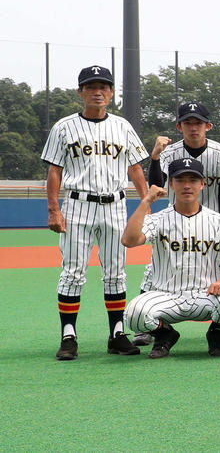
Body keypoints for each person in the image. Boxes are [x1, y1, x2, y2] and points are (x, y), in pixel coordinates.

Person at [43, 65, 150, 361]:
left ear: (112, 92)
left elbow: (135, 168)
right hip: (78, 204)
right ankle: (68, 336)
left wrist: (145, 205)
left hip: (115, 205)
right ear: (81, 92)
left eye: (103, 86)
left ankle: (117, 334)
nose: (98, 92)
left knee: (116, 272)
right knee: (73, 272)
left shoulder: (122, 126)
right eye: (91, 87)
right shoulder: (64, 127)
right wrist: (54, 210)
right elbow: (54, 170)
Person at [134, 101, 220, 346]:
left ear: (208, 126)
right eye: (188, 123)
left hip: (212, 222)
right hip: (176, 218)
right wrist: (155, 157)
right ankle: (147, 327)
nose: (193, 128)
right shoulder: (168, 153)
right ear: (179, 126)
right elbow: (157, 186)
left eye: (198, 123)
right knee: (156, 269)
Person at [121, 161, 220, 358]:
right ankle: (165, 335)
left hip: (205, 295)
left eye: (193, 180)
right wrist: (145, 202)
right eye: (180, 180)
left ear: (202, 184)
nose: (187, 185)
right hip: (165, 295)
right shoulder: (158, 219)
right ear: (171, 184)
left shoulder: (218, 221)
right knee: (134, 314)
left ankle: (216, 335)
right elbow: (129, 240)